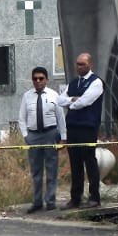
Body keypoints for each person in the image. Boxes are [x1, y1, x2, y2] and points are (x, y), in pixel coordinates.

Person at [58, 52, 105, 208]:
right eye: (77, 64)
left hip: (87, 127)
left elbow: (86, 101)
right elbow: (60, 100)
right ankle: (75, 198)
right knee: (75, 163)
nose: (79, 67)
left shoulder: (96, 82)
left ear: (90, 65)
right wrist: (73, 99)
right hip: (73, 127)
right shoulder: (73, 83)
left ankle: (94, 197)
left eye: (82, 64)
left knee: (90, 162)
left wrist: (71, 103)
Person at [18, 66, 67, 212]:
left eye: (41, 78)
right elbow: (21, 118)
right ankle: (37, 202)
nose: (38, 81)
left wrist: (63, 138)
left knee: (51, 169)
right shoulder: (27, 96)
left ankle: (50, 201)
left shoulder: (54, 95)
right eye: (35, 79)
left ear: (46, 80)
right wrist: (26, 136)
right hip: (33, 136)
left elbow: (60, 118)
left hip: (50, 134)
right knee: (36, 171)